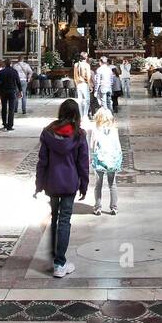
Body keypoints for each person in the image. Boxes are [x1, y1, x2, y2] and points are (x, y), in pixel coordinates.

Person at [35, 98, 88, 278]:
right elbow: (83, 163)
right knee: (64, 220)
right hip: (70, 182)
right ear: (76, 115)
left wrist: (39, 184)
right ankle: (59, 263)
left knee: (55, 218)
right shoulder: (79, 135)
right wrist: (84, 184)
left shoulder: (48, 132)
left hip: (52, 181)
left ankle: (55, 257)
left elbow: (42, 161)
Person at [89, 106, 122, 215]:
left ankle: (98, 207)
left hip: (100, 160)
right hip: (111, 160)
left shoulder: (95, 130)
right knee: (112, 184)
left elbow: (92, 146)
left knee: (98, 184)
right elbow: (118, 146)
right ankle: (114, 207)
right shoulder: (114, 130)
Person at [0, 58, 21, 131]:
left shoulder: (1, 72)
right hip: (12, 91)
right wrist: (20, 91)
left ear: (5, 64)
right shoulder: (14, 71)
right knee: (11, 109)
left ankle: (4, 124)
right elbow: (18, 82)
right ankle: (10, 126)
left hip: (3, 92)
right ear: (11, 64)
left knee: (4, 108)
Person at [73, 51, 92, 120]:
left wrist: (76, 84)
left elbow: (74, 76)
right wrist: (90, 86)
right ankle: (85, 115)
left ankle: (80, 116)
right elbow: (88, 76)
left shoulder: (76, 64)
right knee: (87, 100)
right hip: (84, 84)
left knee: (80, 100)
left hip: (78, 84)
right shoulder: (87, 65)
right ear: (86, 57)